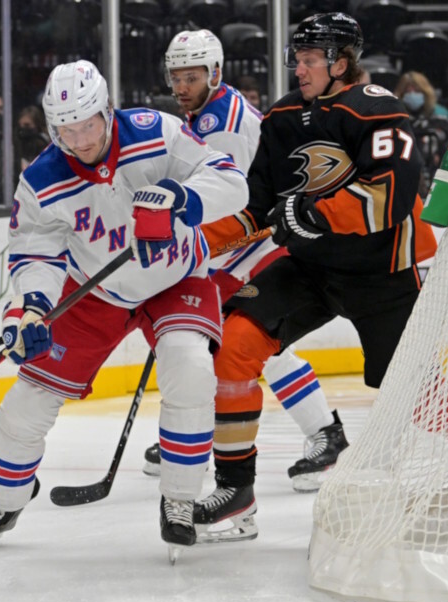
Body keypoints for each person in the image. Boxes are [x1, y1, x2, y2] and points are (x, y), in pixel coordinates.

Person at [0, 59, 248, 556]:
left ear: (108, 109)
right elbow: (34, 253)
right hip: (95, 291)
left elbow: (232, 181)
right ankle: (2, 503)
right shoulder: (42, 180)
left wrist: (180, 198)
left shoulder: (156, 132)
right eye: (67, 129)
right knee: (28, 400)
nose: (81, 139)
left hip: (177, 276)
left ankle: (179, 500)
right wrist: (34, 308)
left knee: (190, 368)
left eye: (88, 124)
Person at [193, 12, 437, 534]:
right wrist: (196, 241)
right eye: (297, 59)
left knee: (416, 391)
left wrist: (312, 213)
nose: (298, 69)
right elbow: (258, 206)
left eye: (308, 60)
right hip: (308, 267)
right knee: (234, 344)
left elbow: (390, 197)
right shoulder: (281, 117)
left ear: (340, 62)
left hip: (382, 274)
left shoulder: (379, 112)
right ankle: (235, 489)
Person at [141, 29, 347, 507]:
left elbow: (234, 204)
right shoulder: (209, 112)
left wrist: (188, 252)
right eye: (176, 77)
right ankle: (320, 432)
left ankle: (321, 433)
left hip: (257, 243)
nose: (182, 86)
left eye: (192, 76)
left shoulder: (224, 126)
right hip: (243, 244)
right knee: (245, 343)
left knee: (243, 340)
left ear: (214, 72)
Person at [393, 71, 448, 196]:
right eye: (408, 91)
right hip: (404, 173)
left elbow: (445, 139)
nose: (412, 94)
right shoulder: (395, 117)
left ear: (425, 92)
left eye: (417, 91)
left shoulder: (440, 115)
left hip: (434, 172)